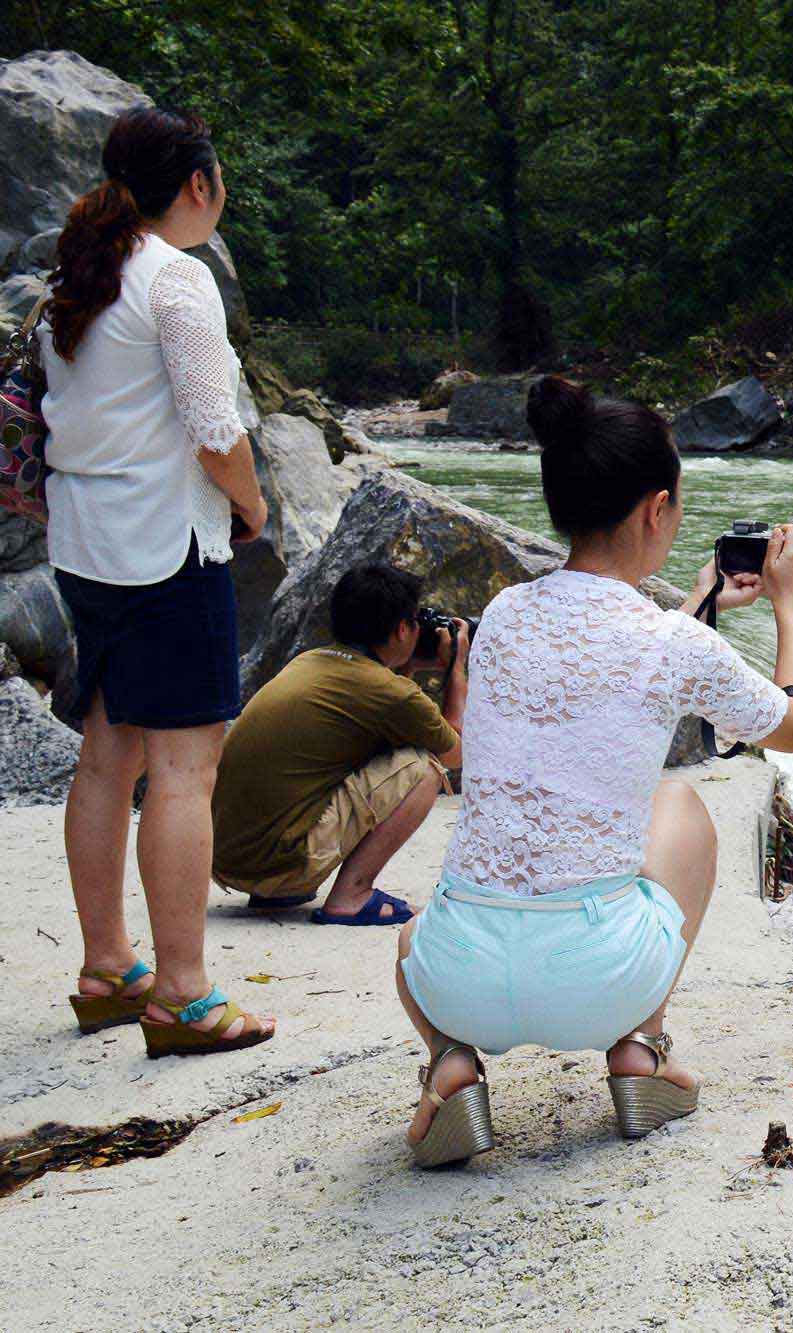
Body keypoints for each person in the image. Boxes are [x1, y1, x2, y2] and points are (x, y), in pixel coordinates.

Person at [395, 375, 793, 1168]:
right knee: (682, 803)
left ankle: (451, 1066)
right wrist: (790, 606)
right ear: (656, 509)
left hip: (458, 976)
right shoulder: (671, 644)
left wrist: (697, 601)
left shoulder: (501, 618)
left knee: (414, 945)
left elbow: (596, 673)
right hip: (599, 979)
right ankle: (641, 1047)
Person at [39, 106, 275, 1056]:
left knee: (108, 754)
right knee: (184, 770)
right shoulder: (177, 281)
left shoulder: (82, 273)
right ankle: (181, 994)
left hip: (86, 546)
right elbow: (214, 430)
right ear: (199, 187)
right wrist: (254, 507)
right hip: (168, 550)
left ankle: (107, 968)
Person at [210, 564, 467, 925]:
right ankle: (351, 896)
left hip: (227, 858)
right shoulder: (388, 692)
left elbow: (378, 711)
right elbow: (455, 753)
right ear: (401, 629)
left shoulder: (311, 660)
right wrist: (457, 669)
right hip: (276, 865)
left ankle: (277, 888)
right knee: (422, 768)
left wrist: (408, 666)